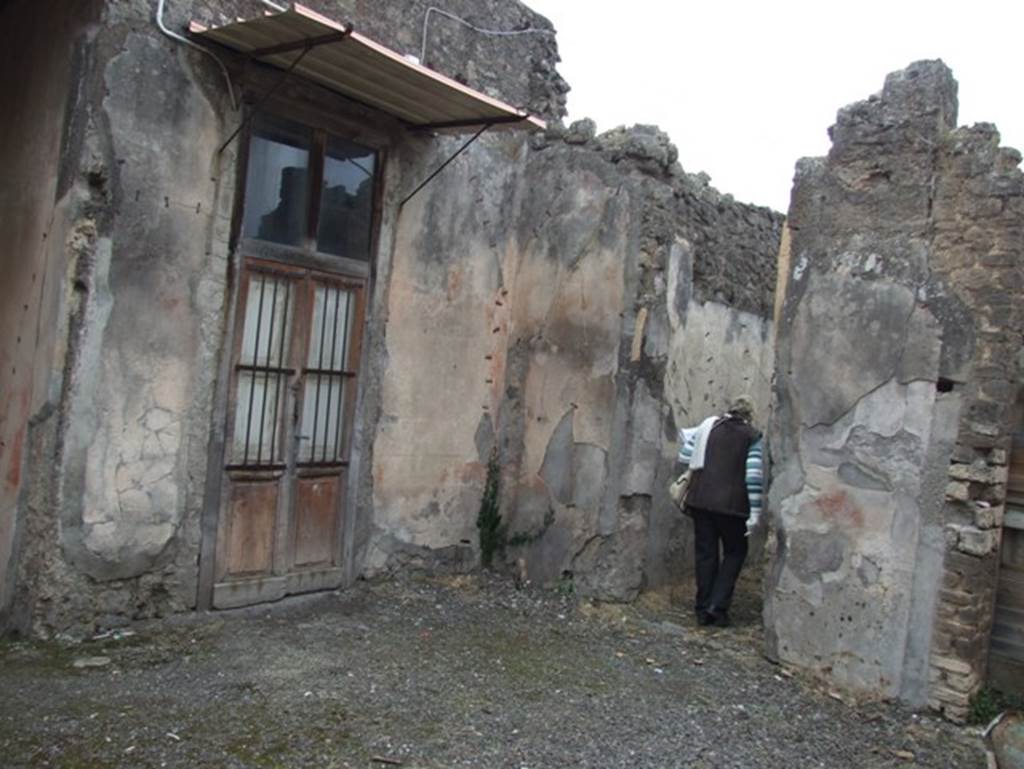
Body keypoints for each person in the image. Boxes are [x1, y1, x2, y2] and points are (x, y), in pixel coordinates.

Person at [677, 396, 764, 627]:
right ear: (748, 416)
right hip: (733, 507)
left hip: (701, 500)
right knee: (735, 552)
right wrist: (755, 512)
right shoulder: (752, 436)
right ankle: (718, 606)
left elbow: (685, 456)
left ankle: (702, 608)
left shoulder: (708, 427)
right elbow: (753, 475)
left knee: (706, 554)